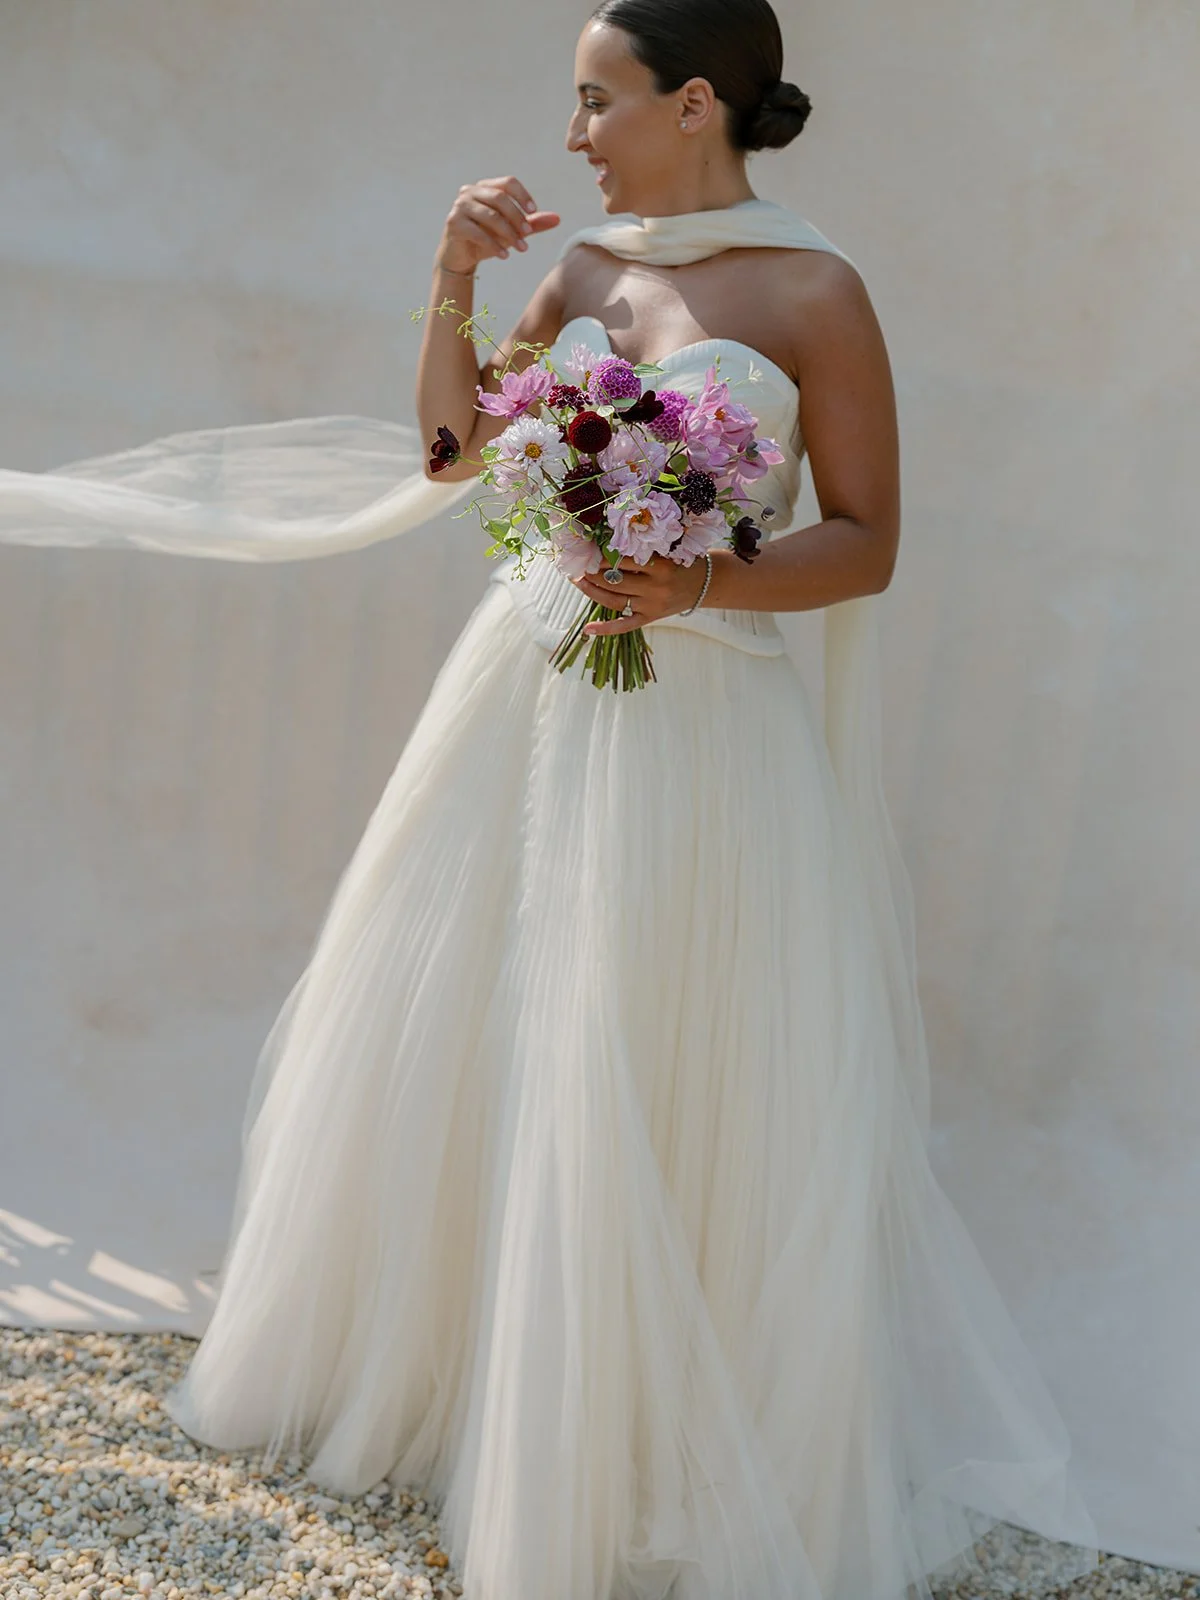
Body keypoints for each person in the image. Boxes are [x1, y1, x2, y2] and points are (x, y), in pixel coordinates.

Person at [0, 3, 1101, 1598]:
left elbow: (866, 538)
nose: (573, 136)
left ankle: (611, 1449)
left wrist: (701, 574)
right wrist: (453, 280)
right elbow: (454, 452)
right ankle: (480, 1403)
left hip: (704, 733)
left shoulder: (817, 290)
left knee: (638, 1067)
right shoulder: (578, 271)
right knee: (477, 1035)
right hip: (520, 701)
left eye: (598, 101)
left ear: (697, 99)